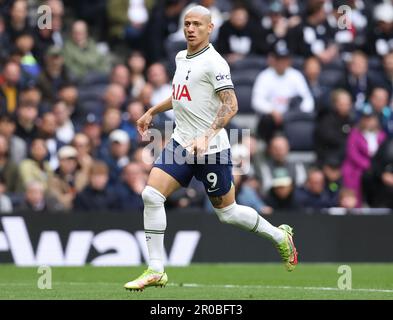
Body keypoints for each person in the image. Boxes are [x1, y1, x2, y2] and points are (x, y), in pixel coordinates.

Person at [124, 6, 298, 291]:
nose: (190, 29)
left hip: (212, 148)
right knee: (151, 195)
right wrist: (152, 110)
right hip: (182, 142)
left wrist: (207, 135)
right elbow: (181, 94)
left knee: (226, 212)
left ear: (210, 28)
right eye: (187, 23)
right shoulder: (181, 57)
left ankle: (279, 237)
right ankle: (156, 269)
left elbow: (232, 105)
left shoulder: (215, 63)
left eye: (197, 24)